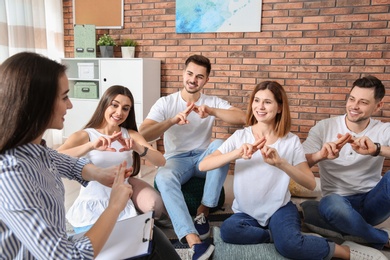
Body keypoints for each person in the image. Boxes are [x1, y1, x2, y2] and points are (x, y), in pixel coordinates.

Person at [0, 52, 180, 260]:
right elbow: (67, 257)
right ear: (38, 102)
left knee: (149, 233)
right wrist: (114, 206)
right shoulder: (11, 174)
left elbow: (69, 164)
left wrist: (102, 174)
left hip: (63, 241)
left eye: (125, 108)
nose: (70, 105)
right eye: (65, 97)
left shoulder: (37, 151)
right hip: (65, 253)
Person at [199, 81, 388, 259]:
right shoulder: (240, 137)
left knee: (290, 246)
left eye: (267, 102)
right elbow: (204, 164)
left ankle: (345, 251)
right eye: (256, 101)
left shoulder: (290, 141)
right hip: (246, 212)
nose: (260, 107)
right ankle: (277, 236)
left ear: (280, 107)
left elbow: (310, 182)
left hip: (279, 209)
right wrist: (236, 153)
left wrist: (281, 163)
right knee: (229, 231)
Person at [139, 54, 246, 259]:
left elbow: (242, 117)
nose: (193, 80)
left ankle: (203, 211)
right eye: (189, 73)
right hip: (176, 160)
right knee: (162, 177)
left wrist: (212, 111)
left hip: (202, 158)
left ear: (206, 80)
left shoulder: (210, 101)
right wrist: (171, 121)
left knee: (220, 145)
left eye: (199, 76)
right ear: (183, 73)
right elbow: (143, 134)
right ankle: (192, 239)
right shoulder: (166, 103)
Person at [57, 85, 170, 233]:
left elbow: (160, 161)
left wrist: (137, 147)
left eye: (125, 108)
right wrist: (91, 146)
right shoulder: (86, 135)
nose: (119, 112)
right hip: (92, 202)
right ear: (105, 104)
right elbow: (54, 157)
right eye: (114, 105)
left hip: (121, 201)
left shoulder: (130, 134)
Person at [302, 75, 390, 250]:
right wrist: (321, 155)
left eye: (363, 102)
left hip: (373, 202)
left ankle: (356, 231)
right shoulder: (324, 127)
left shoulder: (383, 129)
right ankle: (379, 237)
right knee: (330, 204)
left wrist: (377, 149)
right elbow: (299, 163)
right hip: (337, 202)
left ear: (378, 105)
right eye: (352, 99)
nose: (354, 106)